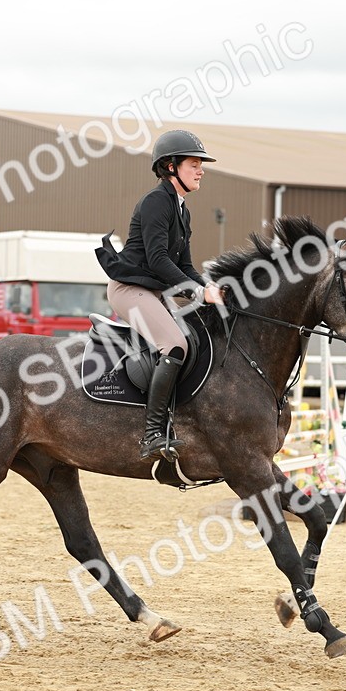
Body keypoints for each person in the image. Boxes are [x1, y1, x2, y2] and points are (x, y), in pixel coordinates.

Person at [95, 129, 225, 461]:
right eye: (194, 164)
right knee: (175, 344)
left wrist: (209, 288)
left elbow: (185, 264)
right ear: (170, 166)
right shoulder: (156, 202)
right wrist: (196, 291)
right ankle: (152, 432)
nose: (201, 171)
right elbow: (158, 260)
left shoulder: (181, 210)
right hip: (129, 290)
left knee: (194, 339)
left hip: (152, 291)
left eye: (201, 165)